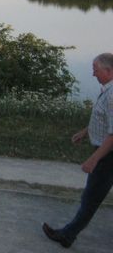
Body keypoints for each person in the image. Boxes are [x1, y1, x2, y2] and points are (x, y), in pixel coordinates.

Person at [42, 52, 113, 248]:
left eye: (95, 70)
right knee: (92, 196)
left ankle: (67, 235)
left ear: (108, 70)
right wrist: (85, 132)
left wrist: (94, 159)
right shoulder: (108, 90)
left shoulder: (112, 95)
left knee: (90, 198)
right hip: (105, 152)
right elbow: (105, 120)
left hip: (107, 155)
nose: (93, 74)